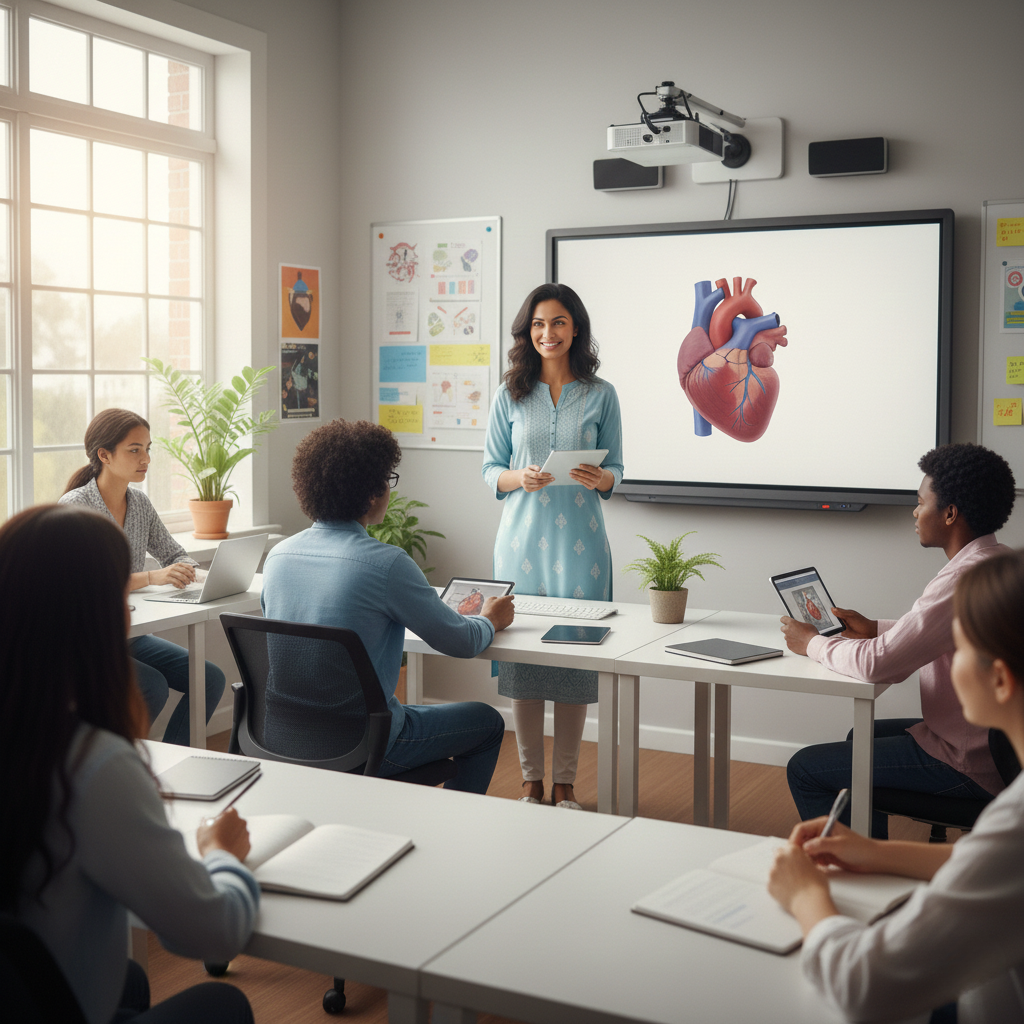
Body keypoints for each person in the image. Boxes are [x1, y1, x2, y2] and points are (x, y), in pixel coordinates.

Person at [0, 504, 258, 1024]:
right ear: (100, 617)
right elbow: (213, 933)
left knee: (132, 978)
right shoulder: (94, 766)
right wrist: (222, 854)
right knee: (224, 1004)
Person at [768, 548, 1024, 1024]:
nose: (945, 661)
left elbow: (862, 986)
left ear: (1000, 679)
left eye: (957, 648)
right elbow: (993, 862)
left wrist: (804, 895)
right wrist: (874, 852)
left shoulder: (1015, 821)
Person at [261, 418, 514, 794]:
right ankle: (455, 823)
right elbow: (461, 642)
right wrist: (490, 620)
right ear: (372, 494)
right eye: (388, 480)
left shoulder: (278, 556)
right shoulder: (386, 564)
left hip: (282, 736)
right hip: (364, 744)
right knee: (487, 722)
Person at [782, 443, 1016, 837]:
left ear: (950, 513)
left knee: (805, 768)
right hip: (994, 747)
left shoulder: (960, 580)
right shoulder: (997, 561)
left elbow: (878, 665)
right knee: (860, 736)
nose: (914, 512)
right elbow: (944, 634)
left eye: (920, 502)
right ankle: (870, 849)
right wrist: (876, 628)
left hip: (969, 761)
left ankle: (858, 866)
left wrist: (812, 644)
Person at [482, 283, 624, 809]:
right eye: (539, 324)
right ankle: (530, 780)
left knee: (573, 664)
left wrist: (601, 478)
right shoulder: (509, 395)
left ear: (575, 328)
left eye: (559, 322)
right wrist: (518, 477)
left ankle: (565, 782)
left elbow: (618, 471)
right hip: (519, 548)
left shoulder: (602, 394)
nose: (549, 333)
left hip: (582, 548)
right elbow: (489, 470)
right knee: (524, 666)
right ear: (528, 332)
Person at [60, 409, 226, 746]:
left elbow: (175, 554)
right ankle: (118, 764)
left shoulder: (139, 502)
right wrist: (151, 576)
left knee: (209, 679)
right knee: (152, 686)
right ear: (104, 455)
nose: (146, 459)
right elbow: (84, 586)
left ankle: (177, 761)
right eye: (134, 450)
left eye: (148, 449)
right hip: (84, 639)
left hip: (131, 633)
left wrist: (198, 574)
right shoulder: (75, 507)